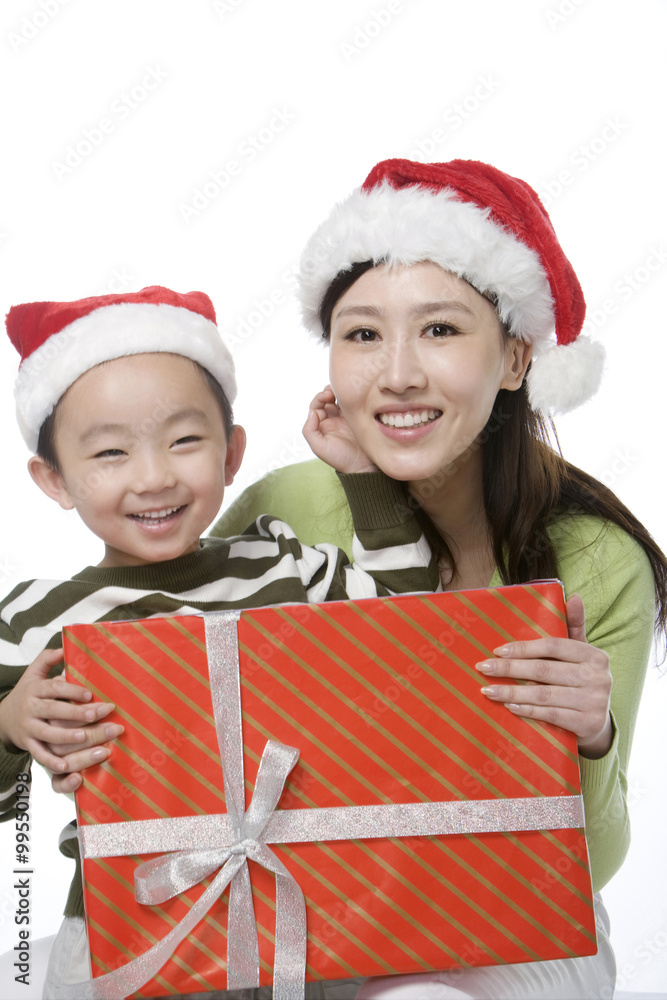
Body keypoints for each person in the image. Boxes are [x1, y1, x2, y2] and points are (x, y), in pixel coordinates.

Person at [213, 159, 667, 999]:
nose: (396, 376)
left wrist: (590, 735)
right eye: (360, 334)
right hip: (315, 897)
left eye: (440, 330)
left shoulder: (598, 561)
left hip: (519, 918)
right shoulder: (286, 504)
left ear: (515, 358)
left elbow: (593, 861)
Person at [0, 284, 438, 999]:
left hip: (313, 906)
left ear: (232, 452)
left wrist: (367, 483)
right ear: (54, 480)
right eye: (110, 452)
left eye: (184, 440)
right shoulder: (36, 618)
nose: (154, 476)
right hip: (128, 923)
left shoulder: (284, 565)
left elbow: (408, 635)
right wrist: (12, 724)